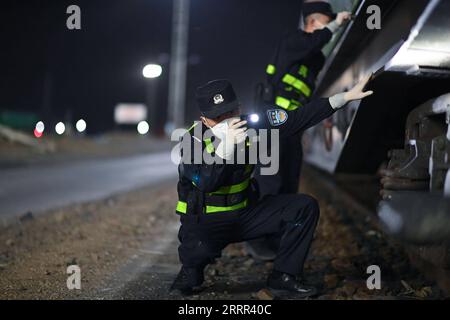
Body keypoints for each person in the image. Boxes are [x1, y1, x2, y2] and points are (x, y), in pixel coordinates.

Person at [170, 76, 373, 297]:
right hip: (207, 223)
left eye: (230, 113)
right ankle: (190, 271)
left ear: (239, 108)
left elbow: (297, 119)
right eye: (217, 118)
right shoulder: (191, 140)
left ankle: (283, 277)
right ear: (204, 120)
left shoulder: (253, 124)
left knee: (304, 207)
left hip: (245, 215)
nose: (227, 121)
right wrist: (226, 148)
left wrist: (342, 98)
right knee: (196, 256)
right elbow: (207, 182)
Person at [248, 1, 352, 260]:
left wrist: (322, 115)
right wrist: (336, 25)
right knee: (270, 183)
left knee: (289, 182)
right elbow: (309, 43)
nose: (328, 28)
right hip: (271, 125)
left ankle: (277, 235)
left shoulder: (313, 56)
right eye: (324, 23)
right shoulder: (293, 41)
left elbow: (308, 89)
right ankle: (257, 240)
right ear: (312, 23)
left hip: (292, 126)